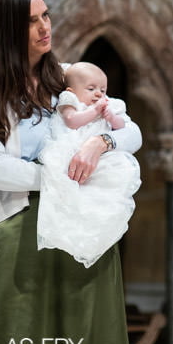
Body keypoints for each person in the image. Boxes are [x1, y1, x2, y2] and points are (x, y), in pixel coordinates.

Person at [0, 0, 142, 344]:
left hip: (86, 232)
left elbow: (131, 133)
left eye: (45, 16)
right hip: (22, 230)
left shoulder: (71, 79)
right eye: (31, 21)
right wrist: (57, 177)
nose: (45, 27)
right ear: (7, 30)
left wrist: (99, 142)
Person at [37, 61, 141, 268]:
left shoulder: (108, 105)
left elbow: (125, 130)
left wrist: (111, 117)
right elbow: (72, 121)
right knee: (75, 200)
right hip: (71, 152)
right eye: (91, 89)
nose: (98, 94)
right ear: (71, 90)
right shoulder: (69, 101)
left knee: (106, 194)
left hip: (101, 160)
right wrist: (94, 112)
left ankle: (97, 232)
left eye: (102, 90)